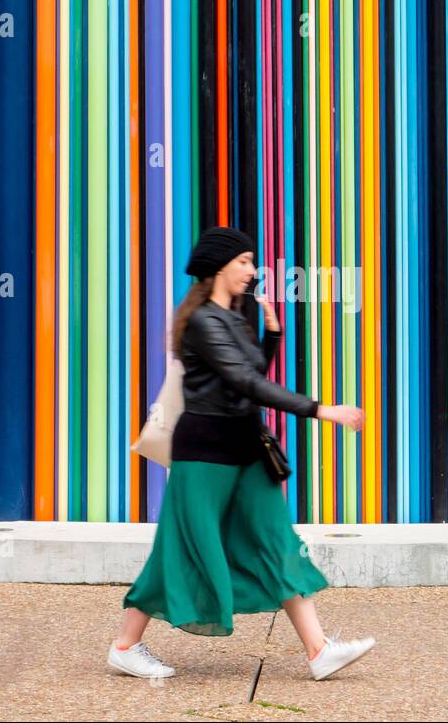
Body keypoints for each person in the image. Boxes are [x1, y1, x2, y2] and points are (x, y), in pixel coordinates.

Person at [109, 226, 374, 681]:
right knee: (179, 550)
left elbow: (249, 376)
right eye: (245, 262)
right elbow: (246, 383)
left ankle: (318, 650)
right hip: (205, 452)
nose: (253, 271)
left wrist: (271, 336)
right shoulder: (204, 322)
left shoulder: (231, 318)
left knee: (276, 539)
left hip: (246, 449)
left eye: (252, 262)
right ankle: (124, 646)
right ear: (219, 267)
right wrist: (320, 410)